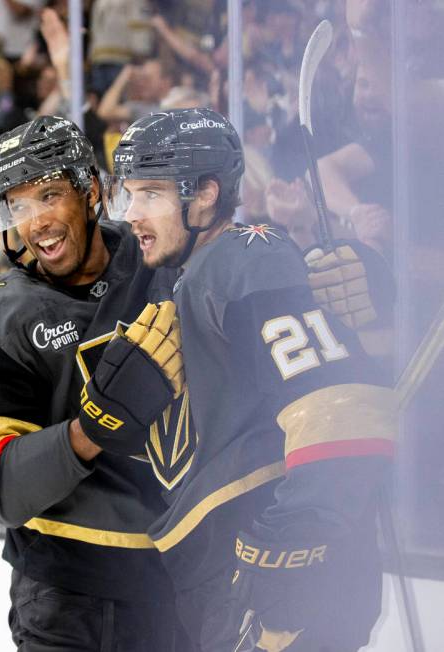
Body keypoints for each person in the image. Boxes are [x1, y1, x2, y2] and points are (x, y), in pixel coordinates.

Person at [101, 108, 396, 651]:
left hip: (276, 593)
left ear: (206, 193)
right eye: (129, 195)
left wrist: (281, 576)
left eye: (149, 195)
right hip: (224, 579)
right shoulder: (190, 271)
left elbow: (341, 413)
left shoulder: (244, 259)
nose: (132, 214)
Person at [0, 115, 184, 651]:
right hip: (69, 601)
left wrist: (350, 279)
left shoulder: (161, 258)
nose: (36, 221)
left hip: (190, 581)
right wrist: (93, 427)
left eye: (50, 195)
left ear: (91, 191)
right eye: (19, 206)